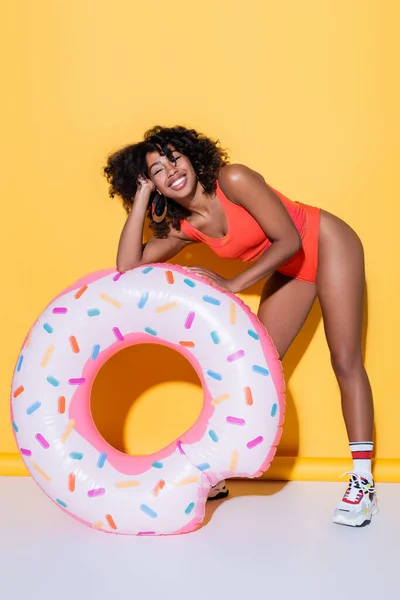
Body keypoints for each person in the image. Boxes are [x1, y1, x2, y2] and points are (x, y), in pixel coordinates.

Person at [103, 125, 376, 527]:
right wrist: (142, 195)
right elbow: (127, 266)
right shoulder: (186, 227)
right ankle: (220, 471)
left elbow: (289, 241)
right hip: (291, 271)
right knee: (255, 369)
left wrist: (231, 285)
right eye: (157, 170)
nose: (172, 170)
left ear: (191, 155)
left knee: (345, 359)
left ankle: (363, 480)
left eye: (174, 157)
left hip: (324, 241)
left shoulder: (232, 180)